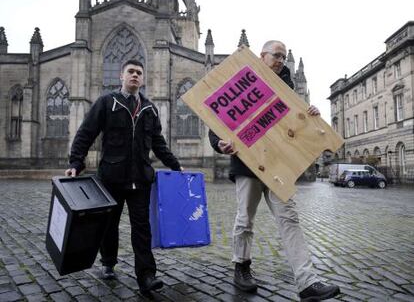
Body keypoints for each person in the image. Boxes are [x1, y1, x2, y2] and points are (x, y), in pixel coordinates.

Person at [209, 40, 340, 301]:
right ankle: (241, 266)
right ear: (262, 56)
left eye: (282, 56)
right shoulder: (243, 83)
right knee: (245, 219)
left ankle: (307, 281)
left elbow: (300, 127)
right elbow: (217, 122)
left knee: (289, 219)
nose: (279, 59)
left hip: (279, 165)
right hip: (247, 164)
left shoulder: (289, 90)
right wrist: (220, 144)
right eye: (275, 55)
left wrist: (311, 114)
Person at [65, 59, 182, 295]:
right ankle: (108, 261)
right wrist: (76, 163)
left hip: (141, 179)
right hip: (111, 177)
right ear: (122, 76)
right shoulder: (107, 103)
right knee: (110, 225)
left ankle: (147, 276)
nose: (135, 76)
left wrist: (176, 166)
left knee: (142, 228)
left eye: (139, 72)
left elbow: (158, 143)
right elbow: (86, 133)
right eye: (131, 72)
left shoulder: (149, 108)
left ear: (143, 79)